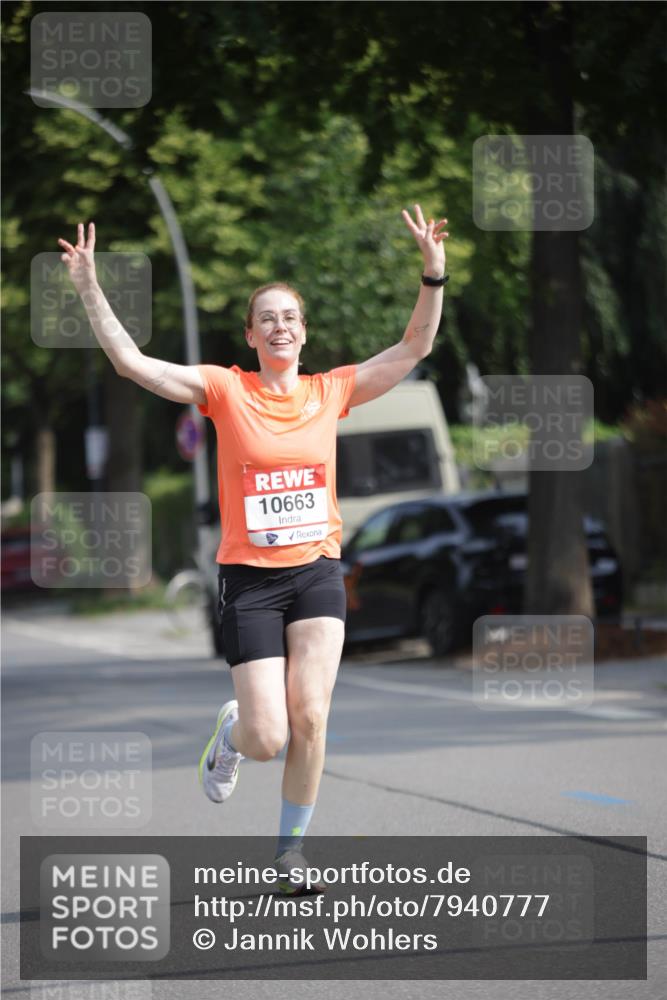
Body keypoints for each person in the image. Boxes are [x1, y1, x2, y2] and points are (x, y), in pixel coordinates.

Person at [58, 204, 449, 894]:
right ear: (250, 334)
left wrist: (432, 272)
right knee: (268, 737)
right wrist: (90, 287)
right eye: (266, 318)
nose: (279, 326)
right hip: (250, 580)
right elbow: (131, 363)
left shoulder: (331, 391)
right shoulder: (224, 389)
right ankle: (232, 734)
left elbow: (412, 348)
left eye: (289, 317)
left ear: (304, 331)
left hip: (317, 570)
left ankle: (290, 854)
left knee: (312, 716)